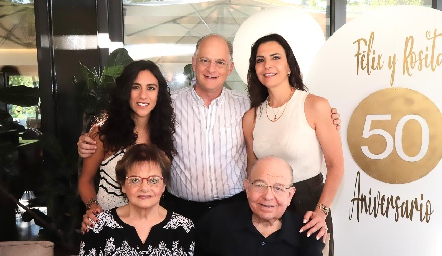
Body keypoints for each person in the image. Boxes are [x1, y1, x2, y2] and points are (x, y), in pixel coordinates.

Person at [78, 34, 341, 224]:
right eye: (204, 60)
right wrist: (92, 134)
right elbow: (134, 109)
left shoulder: (248, 107)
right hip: (179, 209)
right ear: (194, 63)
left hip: (234, 208)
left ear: (230, 68)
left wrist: (328, 120)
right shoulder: (169, 104)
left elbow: (282, 120)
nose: (211, 69)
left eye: (219, 62)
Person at [242, 33, 344, 256]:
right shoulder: (251, 117)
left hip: (310, 205)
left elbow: (336, 166)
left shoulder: (315, 105)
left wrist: (321, 211)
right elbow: (252, 170)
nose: (267, 65)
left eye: (275, 57)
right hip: (268, 207)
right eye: (260, 60)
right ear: (255, 69)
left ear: (289, 66)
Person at [78, 60, 175, 230]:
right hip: (108, 225)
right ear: (125, 91)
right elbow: (85, 180)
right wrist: (93, 207)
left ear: (159, 94)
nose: (143, 95)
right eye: (135, 87)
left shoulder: (165, 136)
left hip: (151, 227)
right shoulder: (103, 135)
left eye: (151, 88)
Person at [195, 156, 325, 256]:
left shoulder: (308, 232)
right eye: (260, 185)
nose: (268, 196)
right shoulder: (216, 220)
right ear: (247, 188)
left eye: (278, 188)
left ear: (290, 194)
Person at [79, 143, 195, 255]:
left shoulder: (183, 228)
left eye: (153, 180)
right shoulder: (98, 226)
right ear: (123, 185)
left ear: (164, 184)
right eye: (135, 180)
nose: (144, 188)